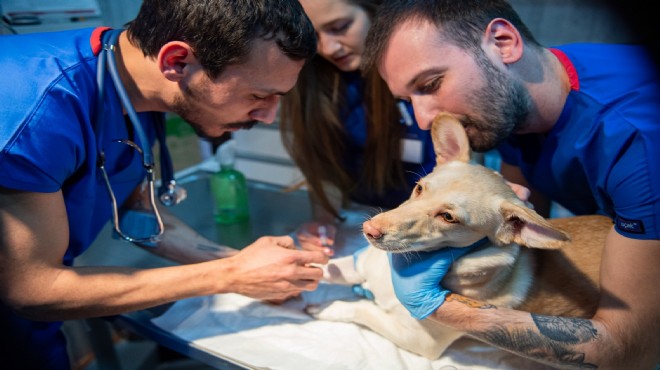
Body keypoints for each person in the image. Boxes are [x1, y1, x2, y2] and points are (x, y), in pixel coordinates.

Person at [0, 1, 330, 369]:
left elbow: (140, 214)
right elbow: (31, 290)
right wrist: (231, 274)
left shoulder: (129, 80)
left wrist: (250, 266)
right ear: (176, 62)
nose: (268, 116)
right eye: (257, 95)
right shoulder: (34, 113)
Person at [360, 0, 660, 368]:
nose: (423, 121)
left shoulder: (638, 145)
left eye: (431, 84)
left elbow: (626, 350)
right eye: (409, 100)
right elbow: (523, 208)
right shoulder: (516, 101)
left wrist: (441, 307)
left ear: (503, 42)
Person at [279, 0, 436, 233]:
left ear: (375, 9)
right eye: (313, 37)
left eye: (339, 27)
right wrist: (323, 223)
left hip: (429, 220)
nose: (328, 49)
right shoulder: (316, 81)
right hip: (362, 218)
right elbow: (325, 169)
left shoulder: (426, 69)